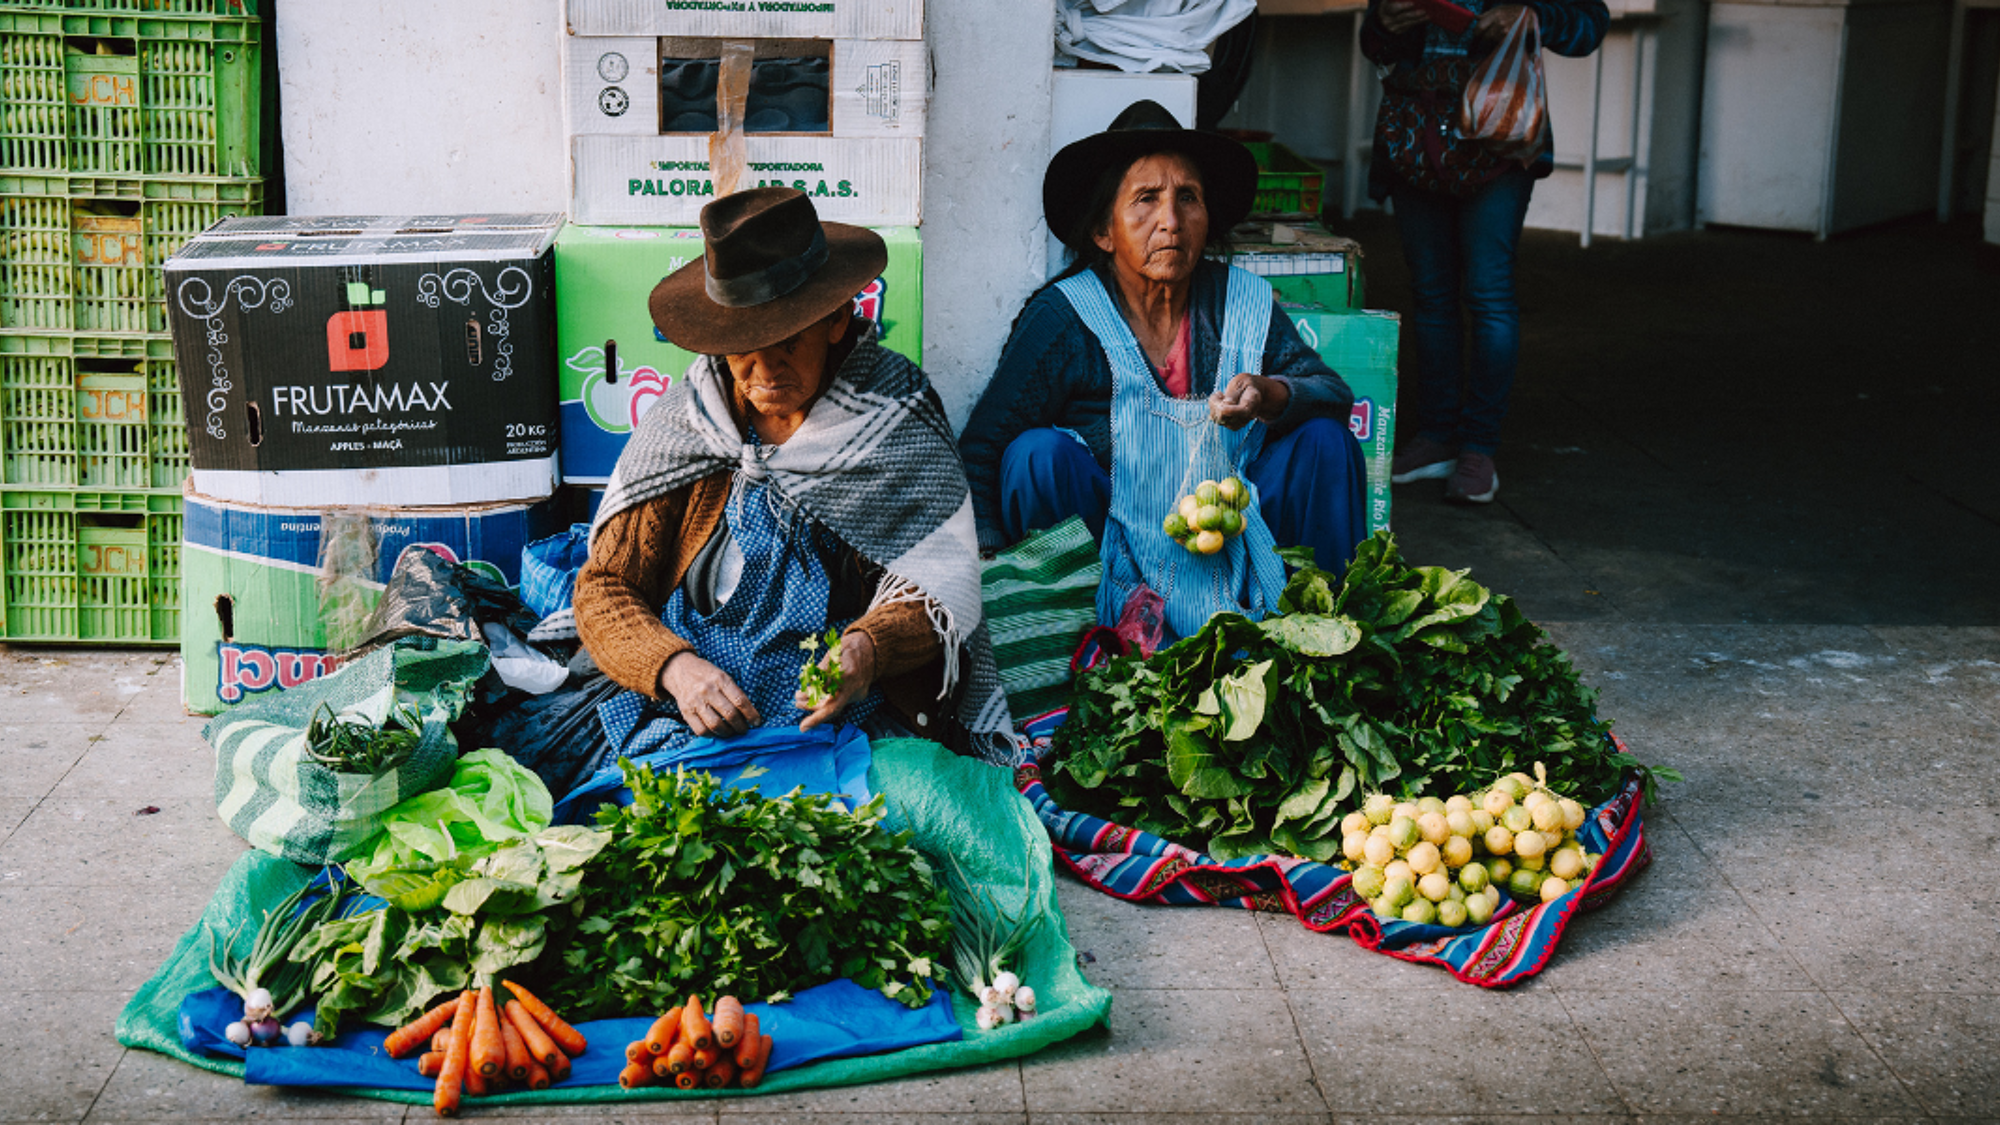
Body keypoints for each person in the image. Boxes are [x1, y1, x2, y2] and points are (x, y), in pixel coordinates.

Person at [570, 187, 1015, 771]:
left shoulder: (893, 411)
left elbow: (940, 582)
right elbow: (604, 587)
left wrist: (865, 650)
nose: (765, 369)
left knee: (882, 811)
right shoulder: (686, 425)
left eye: (787, 342)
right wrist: (674, 670)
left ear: (836, 321)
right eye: (743, 350)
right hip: (692, 704)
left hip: (845, 710)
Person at [959, 99, 1368, 642]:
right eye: (1146, 200)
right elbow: (983, 448)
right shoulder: (1064, 316)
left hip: (1235, 546)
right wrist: (986, 582)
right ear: (1104, 232)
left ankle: (1323, 640)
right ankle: (1074, 651)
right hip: (1112, 560)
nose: (1171, 221)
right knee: (1035, 457)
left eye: (1188, 198)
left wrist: (1269, 393)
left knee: (1325, 441)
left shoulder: (1241, 301)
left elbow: (1332, 394)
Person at [1367, 0, 1607, 503]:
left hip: (1500, 133)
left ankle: (1478, 448)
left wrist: (1535, 16)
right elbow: (1373, 43)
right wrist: (1385, 25)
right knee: (1431, 295)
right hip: (1414, 133)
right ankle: (1436, 438)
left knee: (1489, 293)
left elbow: (1590, 23)